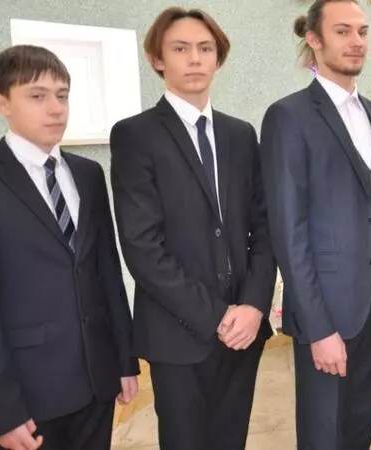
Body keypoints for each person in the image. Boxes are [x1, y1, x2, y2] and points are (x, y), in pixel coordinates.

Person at [109, 7, 276, 450]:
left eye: (205, 48)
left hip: (244, 330)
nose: (195, 59)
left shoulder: (241, 135)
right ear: (158, 60)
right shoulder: (135, 135)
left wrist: (253, 305)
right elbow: (142, 247)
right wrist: (216, 315)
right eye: (180, 49)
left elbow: (264, 228)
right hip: (178, 332)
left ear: (218, 58)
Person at [0, 44, 139, 450]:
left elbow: (106, 271)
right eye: (37, 96)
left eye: (62, 95)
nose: (56, 108)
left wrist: (124, 360)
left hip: (97, 380)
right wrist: (0, 408)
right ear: (2, 103)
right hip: (29, 392)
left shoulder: (88, 174)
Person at [259, 1, 371, 448]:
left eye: (363, 31)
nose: (356, 41)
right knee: (323, 435)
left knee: (359, 429)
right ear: (314, 39)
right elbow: (288, 231)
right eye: (342, 31)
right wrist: (318, 327)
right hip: (327, 312)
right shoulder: (289, 116)